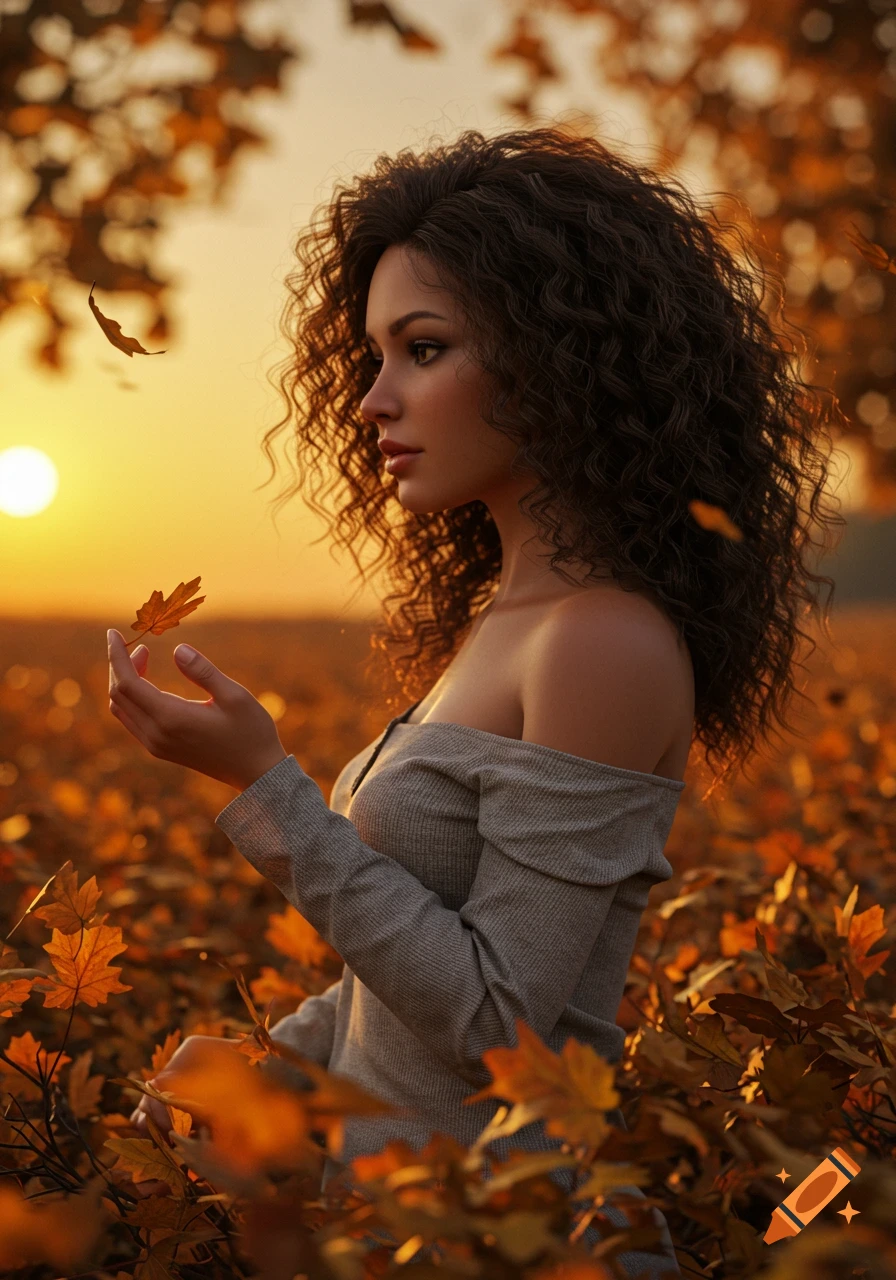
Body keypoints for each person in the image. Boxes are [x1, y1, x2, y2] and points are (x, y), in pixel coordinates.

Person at [125, 124, 846, 1274]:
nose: (371, 400)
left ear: (560, 356)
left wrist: (266, 789)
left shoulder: (599, 641)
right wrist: (279, 1060)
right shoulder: (505, 623)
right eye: (369, 355)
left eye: (422, 348)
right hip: (411, 1231)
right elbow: (410, 984)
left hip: (526, 1240)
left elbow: (505, 1028)